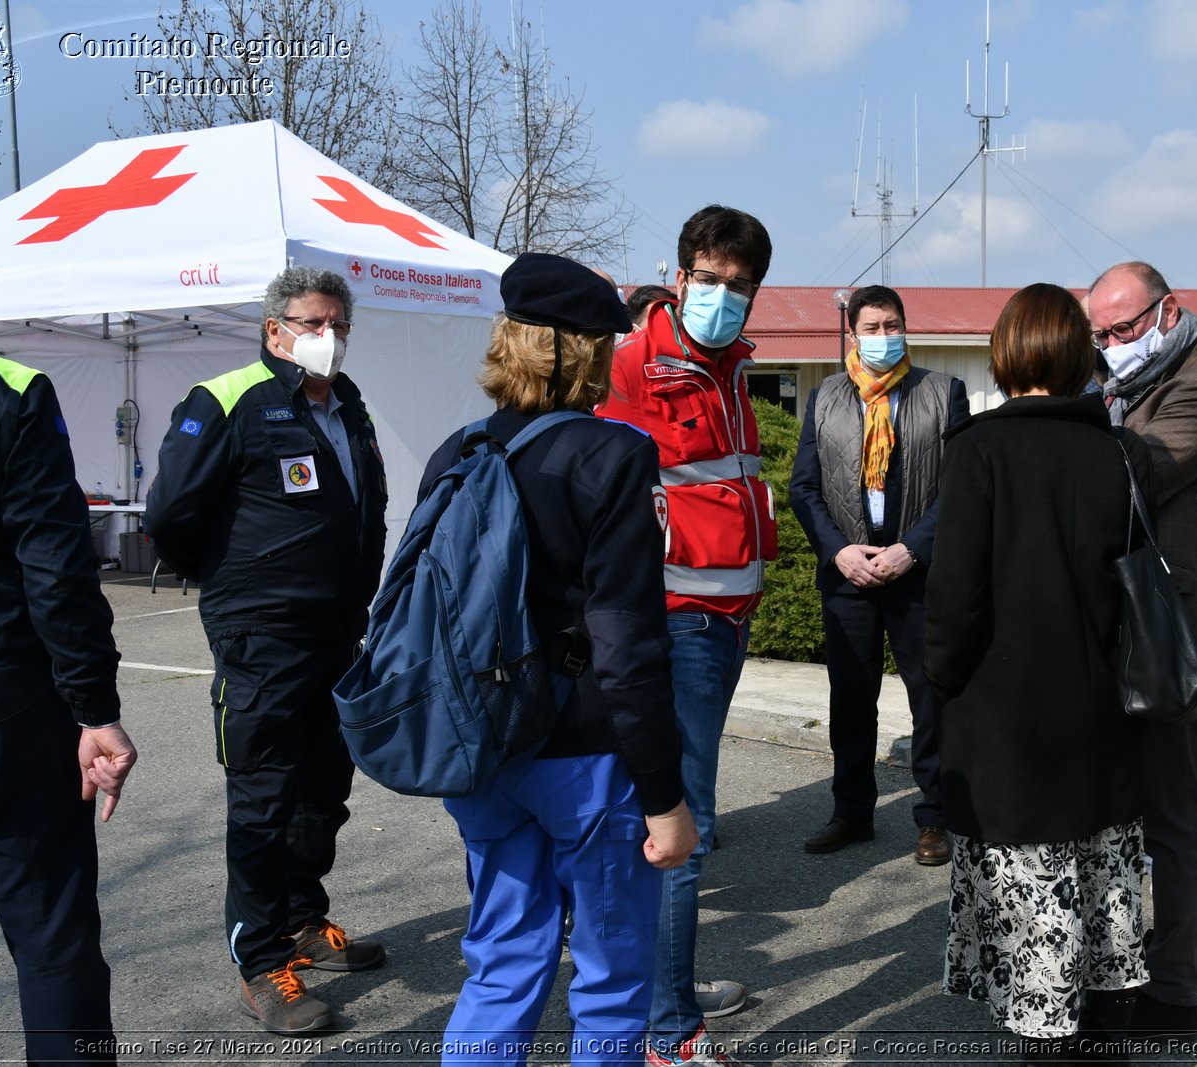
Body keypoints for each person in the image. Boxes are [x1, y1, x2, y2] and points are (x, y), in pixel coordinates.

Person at [419, 253, 696, 1066]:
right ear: (586, 351)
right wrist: (666, 795)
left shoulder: (459, 450)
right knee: (612, 976)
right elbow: (630, 649)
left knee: (501, 964)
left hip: (484, 750)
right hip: (587, 758)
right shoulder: (615, 456)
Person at [144, 266, 388, 1035]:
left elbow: (368, 507)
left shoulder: (348, 405)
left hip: (339, 633)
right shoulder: (227, 400)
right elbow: (170, 516)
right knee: (264, 797)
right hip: (262, 641)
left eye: (340, 325)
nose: (330, 338)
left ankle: (302, 919)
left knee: (324, 789)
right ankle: (261, 963)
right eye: (315, 324)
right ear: (274, 328)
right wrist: (241, 585)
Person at [0, 207, 137, 1064]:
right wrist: (95, 707)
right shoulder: (4, 389)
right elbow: (56, 571)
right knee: (53, 944)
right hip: (0, 712)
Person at [924, 282, 1151, 1057]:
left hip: (1006, 722)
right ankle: (1107, 1038)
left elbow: (954, 601)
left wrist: (941, 681)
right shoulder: (1121, 453)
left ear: (1009, 350)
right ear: (1078, 354)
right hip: (1103, 713)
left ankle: (1045, 1041)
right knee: (1105, 882)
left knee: (1036, 900)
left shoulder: (978, 451)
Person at [594, 205, 776, 1066]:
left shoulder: (731, 366)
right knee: (682, 822)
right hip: (678, 622)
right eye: (710, 279)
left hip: (725, 618)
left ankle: (662, 985)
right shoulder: (632, 366)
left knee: (669, 820)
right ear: (680, 276)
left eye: (741, 286)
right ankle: (670, 1031)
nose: (724, 297)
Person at [1085, 262, 1197, 1037]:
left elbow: (1132, 469)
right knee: (1163, 807)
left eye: (1123, 328)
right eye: (1101, 334)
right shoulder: (1138, 383)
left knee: (1176, 815)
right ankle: (1193, 947)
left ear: (1169, 311)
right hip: (1151, 625)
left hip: (1181, 633)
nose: (1112, 345)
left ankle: (1176, 990)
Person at [789, 285, 967, 865]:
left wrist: (911, 550)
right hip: (849, 576)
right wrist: (839, 551)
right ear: (852, 332)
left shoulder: (943, 392)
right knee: (851, 699)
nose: (883, 337)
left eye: (893, 325)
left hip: (919, 574)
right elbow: (805, 488)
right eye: (871, 327)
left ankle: (935, 817)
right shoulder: (825, 398)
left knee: (929, 699)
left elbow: (960, 489)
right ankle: (851, 813)